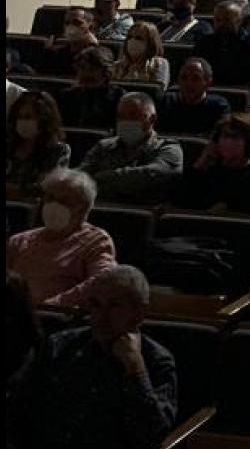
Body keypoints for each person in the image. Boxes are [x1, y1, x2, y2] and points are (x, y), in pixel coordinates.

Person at [10, 265, 176, 449]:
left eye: (114, 305)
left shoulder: (156, 360)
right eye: (96, 305)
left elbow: (153, 433)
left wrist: (135, 367)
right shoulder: (60, 345)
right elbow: (20, 405)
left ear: (139, 312)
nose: (101, 317)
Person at [6, 168, 116, 306]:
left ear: (82, 209)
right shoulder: (19, 241)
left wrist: (53, 305)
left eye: (64, 201)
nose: (54, 205)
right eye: (50, 198)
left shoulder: (96, 241)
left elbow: (101, 281)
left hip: (58, 319)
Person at [78, 92, 183, 204]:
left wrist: (100, 177)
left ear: (152, 119)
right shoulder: (103, 146)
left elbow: (155, 174)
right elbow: (80, 177)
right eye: (121, 117)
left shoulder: (168, 148)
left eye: (133, 116)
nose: (125, 122)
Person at [178, 115, 250, 212]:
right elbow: (184, 197)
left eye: (235, 137)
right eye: (224, 137)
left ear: (248, 142)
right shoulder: (211, 166)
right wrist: (203, 159)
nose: (228, 142)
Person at [6, 90, 71, 194]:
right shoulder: (8, 146)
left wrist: (16, 190)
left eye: (28, 117)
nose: (22, 122)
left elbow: (45, 187)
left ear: (44, 119)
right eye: (19, 117)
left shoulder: (58, 150)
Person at [191, 1, 250, 87]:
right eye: (218, 20)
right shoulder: (205, 43)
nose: (221, 24)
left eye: (227, 20)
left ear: (239, 21)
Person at [154, 58, 231, 135]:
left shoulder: (218, 106)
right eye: (184, 77)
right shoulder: (165, 102)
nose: (189, 83)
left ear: (208, 82)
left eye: (196, 78)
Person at [56, 46, 125, 129]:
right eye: (82, 67)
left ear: (106, 72)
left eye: (91, 69)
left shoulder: (118, 97)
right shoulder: (66, 96)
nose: (84, 73)